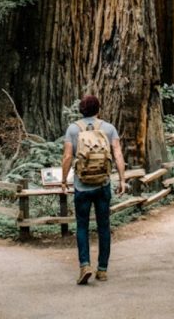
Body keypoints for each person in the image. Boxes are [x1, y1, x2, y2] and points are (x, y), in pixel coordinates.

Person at [61, 95, 126, 285]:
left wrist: (64, 181)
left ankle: (85, 265)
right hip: (103, 185)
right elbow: (118, 153)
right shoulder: (108, 128)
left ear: (81, 110)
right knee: (103, 226)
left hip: (82, 186)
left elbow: (67, 157)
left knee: (82, 226)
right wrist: (122, 178)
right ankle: (103, 270)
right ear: (99, 109)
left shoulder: (73, 129)